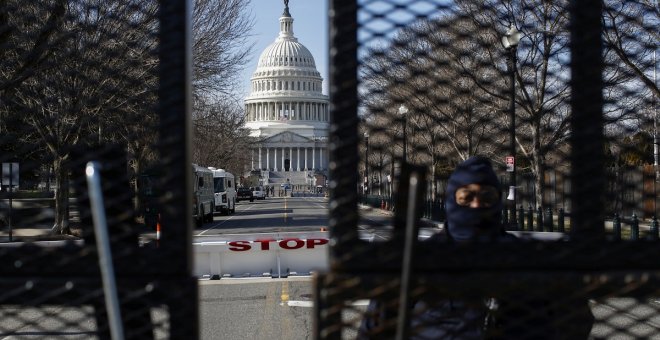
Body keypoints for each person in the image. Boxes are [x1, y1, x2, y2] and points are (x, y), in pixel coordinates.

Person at [357, 156, 594, 339]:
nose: (477, 205)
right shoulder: (416, 261)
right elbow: (373, 331)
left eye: (487, 197)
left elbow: (575, 321)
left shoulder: (530, 258)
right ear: (452, 200)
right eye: (467, 197)